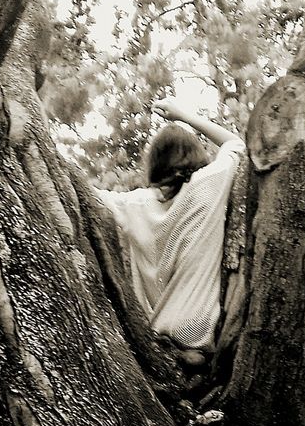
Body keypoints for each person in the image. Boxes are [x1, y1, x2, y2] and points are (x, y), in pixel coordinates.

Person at [96, 97, 245, 365]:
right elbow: (235, 144)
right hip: (197, 328)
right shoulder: (208, 184)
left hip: (156, 334)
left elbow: (90, 196)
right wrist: (184, 115)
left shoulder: (133, 204)